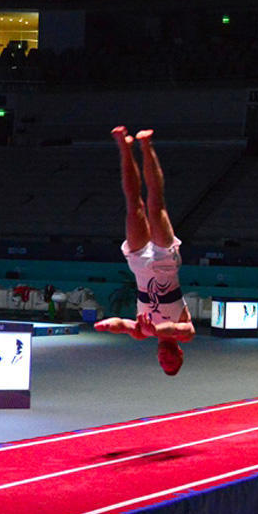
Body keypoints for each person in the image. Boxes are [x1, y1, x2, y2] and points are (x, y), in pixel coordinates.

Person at [94, 127, 194, 376]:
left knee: (133, 204)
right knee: (155, 204)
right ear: (180, 355)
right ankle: (147, 146)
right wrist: (154, 330)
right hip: (164, 263)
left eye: (162, 364)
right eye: (171, 362)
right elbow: (170, 328)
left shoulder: (141, 333)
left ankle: (124, 147)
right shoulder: (187, 332)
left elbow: (121, 325)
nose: (164, 359)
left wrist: (105, 325)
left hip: (139, 265)